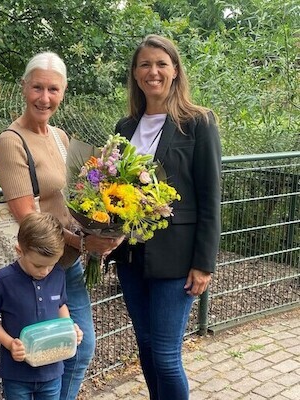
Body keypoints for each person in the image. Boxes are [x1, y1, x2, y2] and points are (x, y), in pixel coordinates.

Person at [0, 51, 123, 400]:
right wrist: (86, 245)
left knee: (79, 349)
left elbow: (76, 198)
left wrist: (105, 225)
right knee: (40, 353)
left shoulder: (60, 137)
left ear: (63, 92)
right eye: (37, 87)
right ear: (24, 87)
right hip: (36, 267)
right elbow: (28, 218)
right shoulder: (11, 141)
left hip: (67, 265)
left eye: (53, 89)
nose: (44, 98)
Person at [110, 34, 222, 400]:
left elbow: (210, 198)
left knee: (165, 354)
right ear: (135, 73)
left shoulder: (198, 123)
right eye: (144, 64)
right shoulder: (124, 128)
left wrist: (204, 264)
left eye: (161, 63)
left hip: (177, 259)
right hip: (131, 256)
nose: (152, 71)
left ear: (175, 70)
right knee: (145, 346)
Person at [0, 212, 83, 399]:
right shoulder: (5, 280)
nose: (44, 272)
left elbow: (61, 305)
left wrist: (69, 329)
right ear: (19, 250)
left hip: (52, 371)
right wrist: (10, 343)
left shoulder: (58, 274)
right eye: (37, 265)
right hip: (17, 373)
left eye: (50, 265)